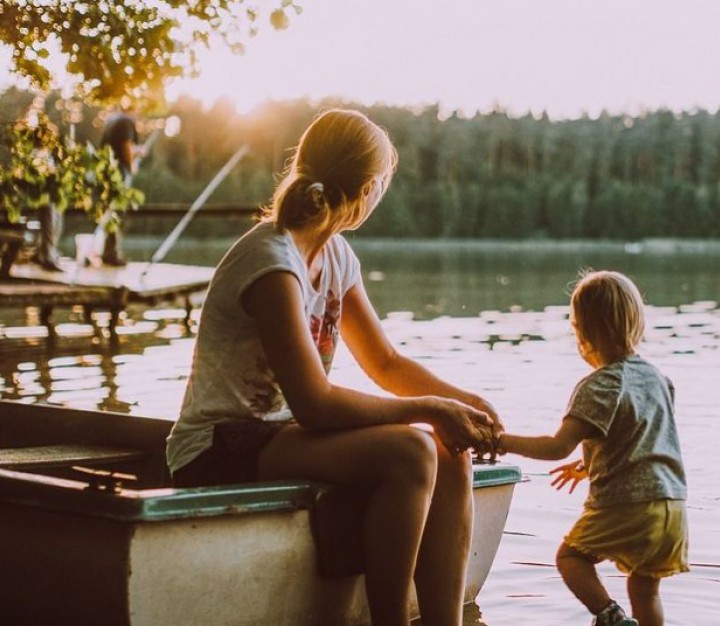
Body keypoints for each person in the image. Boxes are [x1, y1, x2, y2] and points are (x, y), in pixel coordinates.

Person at [165, 109, 501, 626]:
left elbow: (384, 362)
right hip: (216, 445)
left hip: (281, 436)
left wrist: (463, 404)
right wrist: (431, 408)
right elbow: (315, 403)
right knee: (412, 449)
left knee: (448, 451)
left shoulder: (337, 256)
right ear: (368, 190)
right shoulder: (272, 261)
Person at [497, 270, 688, 626]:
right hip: (673, 509)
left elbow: (557, 446)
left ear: (581, 332)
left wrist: (500, 441)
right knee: (645, 590)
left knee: (571, 558)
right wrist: (588, 466)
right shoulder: (659, 380)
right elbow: (642, 438)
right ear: (637, 323)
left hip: (628, 505)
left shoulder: (600, 385)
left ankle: (611, 617)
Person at [99, 109, 140, 265]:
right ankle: (111, 253)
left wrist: (136, 153)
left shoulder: (111, 120)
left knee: (110, 212)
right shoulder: (126, 121)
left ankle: (108, 252)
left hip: (106, 171)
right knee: (116, 212)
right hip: (119, 173)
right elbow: (126, 145)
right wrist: (131, 167)